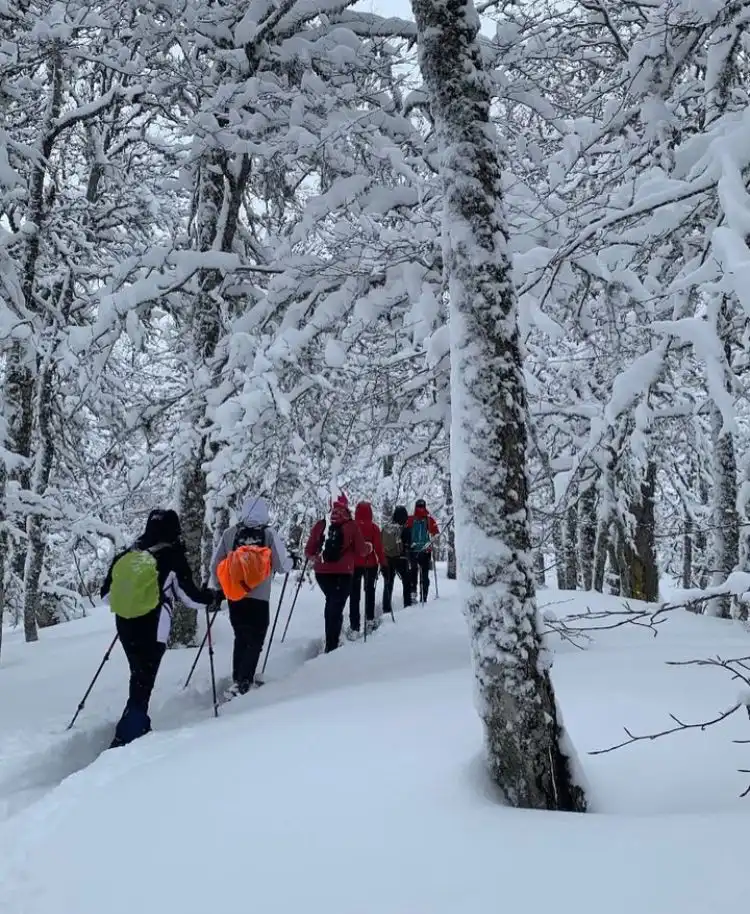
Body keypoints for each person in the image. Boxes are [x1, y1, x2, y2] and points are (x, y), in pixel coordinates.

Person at [101, 509, 215, 748]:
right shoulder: (172, 556)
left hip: (124, 624)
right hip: (154, 627)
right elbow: (190, 598)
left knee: (138, 675)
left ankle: (134, 724)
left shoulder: (128, 553)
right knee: (144, 679)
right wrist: (210, 597)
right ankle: (128, 735)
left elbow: (105, 595)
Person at [209, 496, 293, 698]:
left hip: (235, 596)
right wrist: (291, 561)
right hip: (260, 597)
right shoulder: (268, 534)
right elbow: (282, 566)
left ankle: (238, 678)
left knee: (241, 636)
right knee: (256, 639)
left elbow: (215, 564)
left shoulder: (231, 533)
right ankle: (243, 683)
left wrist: (221, 587)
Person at [304, 493, 367, 653]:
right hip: (343, 573)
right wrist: (368, 548)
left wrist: (316, 557)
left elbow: (309, 550)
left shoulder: (321, 524)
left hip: (322, 573)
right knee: (336, 606)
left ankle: (331, 639)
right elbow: (361, 550)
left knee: (331, 602)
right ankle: (332, 645)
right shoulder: (351, 525)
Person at [350, 501, 386, 637]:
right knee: (369, 592)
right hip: (370, 565)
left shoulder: (352, 527)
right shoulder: (374, 528)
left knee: (354, 596)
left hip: (354, 565)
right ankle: (369, 620)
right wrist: (383, 563)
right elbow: (379, 549)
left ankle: (354, 627)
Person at [381, 505, 412, 616]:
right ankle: (407, 605)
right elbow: (409, 545)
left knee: (388, 584)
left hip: (388, 559)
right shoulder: (405, 529)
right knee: (406, 582)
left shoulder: (387, 527)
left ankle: (386, 608)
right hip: (401, 559)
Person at [406, 499, 439, 602]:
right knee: (424, 574)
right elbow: (436, 534)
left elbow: (405, 533)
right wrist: (431, 541)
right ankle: (424, 596)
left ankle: (413, 593)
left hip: (413, 550)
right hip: (426, 551)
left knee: (413, 572)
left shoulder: (410, 519)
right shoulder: (429, 520)